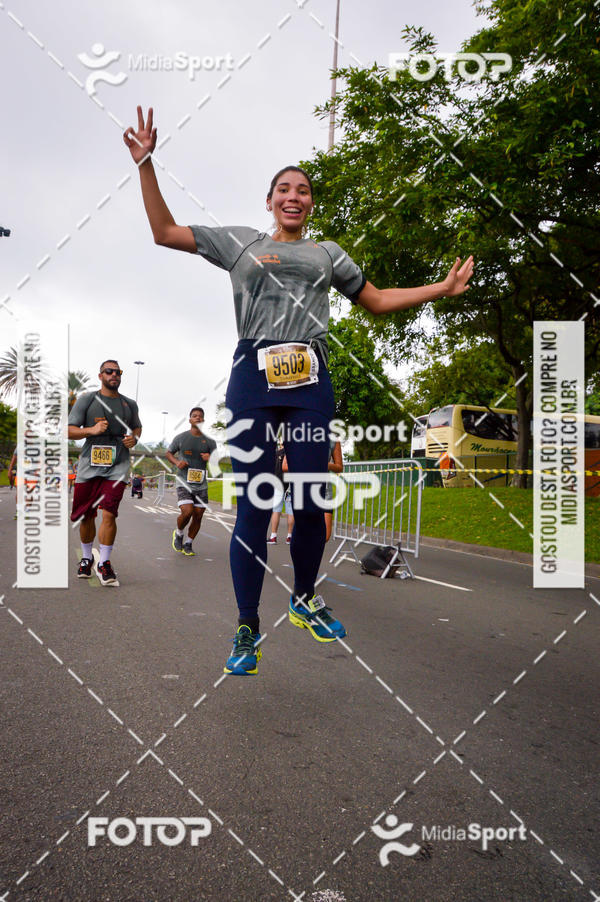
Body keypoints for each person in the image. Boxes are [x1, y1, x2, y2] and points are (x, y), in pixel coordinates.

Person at [124, 106, 473, 674]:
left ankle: (305, 596)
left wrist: (443, 288)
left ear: (310, 204)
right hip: (253, 376)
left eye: (304, 190)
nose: (294, 196)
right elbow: (164, 233)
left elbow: (378, 299)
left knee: (311, 498)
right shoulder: (238, 243)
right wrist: (146, 165)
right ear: (269, 201)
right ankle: (246, 626)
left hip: (311, 375)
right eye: (284, 188)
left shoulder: (327, 254)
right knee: (254, 507)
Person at [68, 360, 142, 585]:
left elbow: (137, 426)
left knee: (109, 513)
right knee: (86, 515)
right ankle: (87, 558)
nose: (114, 375)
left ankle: (105, 563)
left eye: (118, 372)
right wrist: (92, 430)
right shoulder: (87, 400)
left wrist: (134, 438)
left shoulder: (129, 404)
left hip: (117, 466)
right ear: (100, 375)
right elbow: (69, 430)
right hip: (89, 467)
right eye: (109, 371)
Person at [165, 407, 216, 556]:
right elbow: (168, 453)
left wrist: (210, 458)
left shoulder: (210, 442)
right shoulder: (181, 438)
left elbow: (216, 462)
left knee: (198, 514)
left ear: (203, 420)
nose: (198, 418)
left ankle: (188, 543)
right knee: (187, 511)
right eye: (194, 416)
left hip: (201, 483)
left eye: (200, 416)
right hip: (184, 481)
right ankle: (179, 533)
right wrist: (176, 462)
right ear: (190, 420)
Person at [267, 442, 294, 544]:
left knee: (276, 511)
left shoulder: (277, 453)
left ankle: (273, 536)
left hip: (278, 483)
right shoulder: (293, 454)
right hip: (290, 485)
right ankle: (290, 537)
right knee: (290, 512)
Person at [324, 440, 343, 542]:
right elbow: (285, 466)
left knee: (325, 535)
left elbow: (339, 467)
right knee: (304, 534)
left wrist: (325, 464)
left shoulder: (333, 440)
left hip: (325, 492)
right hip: (304, 490)